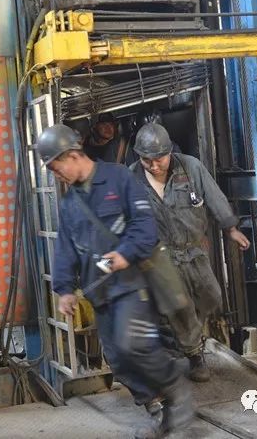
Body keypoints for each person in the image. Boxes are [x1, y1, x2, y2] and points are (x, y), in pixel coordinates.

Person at [37, 124, 194, 437]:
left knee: (133, 344)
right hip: (100, 293)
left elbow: (145, 227)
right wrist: (64, 289)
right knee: (119, 361)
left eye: (56, 168)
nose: (57, 176)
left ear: (72, 156)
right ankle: (158, 409)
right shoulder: (69, 204)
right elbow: (66, 249)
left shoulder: (119, 177)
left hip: (131, 285)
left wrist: (124, 253)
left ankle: (175, 385)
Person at [130, 123, 250, 382]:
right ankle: (195, 355)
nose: (154, 166)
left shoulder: (190, 167)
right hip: (159, 257)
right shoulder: (131, 179)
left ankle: (179, 335)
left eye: (159, 159)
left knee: (211, 296)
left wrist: (231, 228)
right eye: (147, 160)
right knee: (180, 305)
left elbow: (214, 196)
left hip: (193, 250)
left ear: (169, 152)